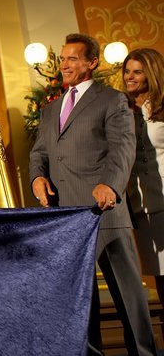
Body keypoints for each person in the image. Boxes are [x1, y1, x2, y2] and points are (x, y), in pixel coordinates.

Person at [29, 33, 157, 355]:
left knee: (129, 303)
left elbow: (123, 149)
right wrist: (36, 179)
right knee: (80, 309)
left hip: (105, 214)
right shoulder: (50, 110)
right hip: (65, 222)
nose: (65, 64)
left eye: (73, 58)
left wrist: (110, 185)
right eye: (62, 58)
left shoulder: (111, 100)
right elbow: (38, 154)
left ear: (92, 63)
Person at [123, 48, 164, 307]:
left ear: (152, 73)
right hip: (142, 207)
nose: (130, 77)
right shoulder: (121, 109)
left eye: (137, 71)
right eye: (127, 71)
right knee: (160, 278)